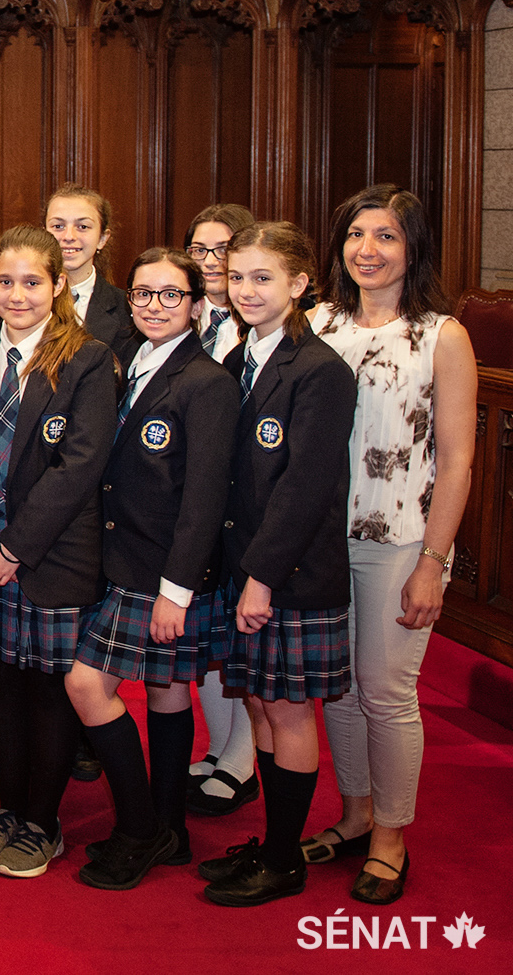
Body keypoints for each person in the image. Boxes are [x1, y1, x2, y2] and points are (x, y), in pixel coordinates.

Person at [306, 186, 475, 904]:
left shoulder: (443, 334)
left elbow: (460, 460)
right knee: (338, 689)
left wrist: (434, 562)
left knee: (386, 689)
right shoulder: (316, 322)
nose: (367, 249)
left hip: (399, 538)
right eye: (355, 234)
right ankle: (355, 812)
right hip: (320, 537)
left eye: (386, 236)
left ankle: (391, 835)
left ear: (413, 249)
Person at [0, 226, 116, 880]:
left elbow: (81, 464)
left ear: (58, 285)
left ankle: (43, 820)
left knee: (46, 689)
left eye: (32, 282)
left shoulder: (88, 358)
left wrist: (14, 545)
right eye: (6, 281)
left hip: (50, 550)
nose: (17, 294)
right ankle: (9, 810)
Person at [66, 247, 239, 890]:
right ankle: (170, 828)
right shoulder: (127, 362)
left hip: (161, 572)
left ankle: (138, 828)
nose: (155, 306)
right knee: (168, 690)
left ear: (196, 304)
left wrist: (177, 590)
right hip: (121, 556)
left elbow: (205, 496)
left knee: (87, 687)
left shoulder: (208, 382)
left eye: (171, 295)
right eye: (143, 294)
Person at [198, 221, 356, 907]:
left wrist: (261, 576)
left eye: (263, 278)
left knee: (289, 710)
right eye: (237, 277)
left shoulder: (320, 370)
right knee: (260, 701)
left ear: (299, 284)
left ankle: (285, 857)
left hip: (290, 574)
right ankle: (271, 840)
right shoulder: (238, 360)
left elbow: (305, 485)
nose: (247, 290)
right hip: (245, 569)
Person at [180, 201, 262, 817]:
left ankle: (243, 756)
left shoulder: (256, 322)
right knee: (207, 635)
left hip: (245, 502)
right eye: (201, 252)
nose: (211, 263)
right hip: (193, 497)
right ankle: (217, 747)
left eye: (223, 251)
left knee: (237, 637)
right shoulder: (187, 312)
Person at [44, 184, 132, 359]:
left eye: (82, 227)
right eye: (58, 226)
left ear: (102, 238)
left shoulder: (126, 309)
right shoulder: (21, 301)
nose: (69, 236)